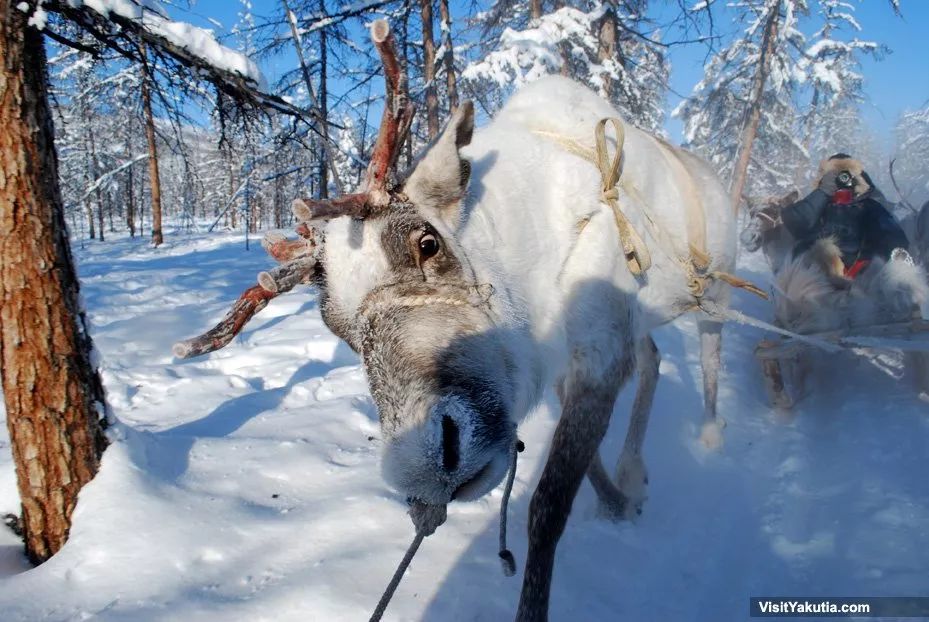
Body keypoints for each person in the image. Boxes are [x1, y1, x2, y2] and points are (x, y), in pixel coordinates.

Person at [781, 153, 909, 278]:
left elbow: (889, 230)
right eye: (834, 176)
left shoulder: (868, 206)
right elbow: (796, 221)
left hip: (862, 275)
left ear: (858, 180)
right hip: (817, 276)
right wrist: (823, 191)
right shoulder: (817, 207)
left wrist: (897, 253)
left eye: (846, 175)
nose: (841, 180)